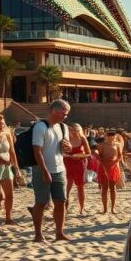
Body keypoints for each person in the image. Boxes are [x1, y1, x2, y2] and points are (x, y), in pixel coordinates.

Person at [31, 99, 73, 243]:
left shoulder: (63, 127)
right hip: (42, 168)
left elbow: (66, 148)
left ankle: (59, 233)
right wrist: (44, 171)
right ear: (54, 111)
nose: (65, 116)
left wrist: (68, 147)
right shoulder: (40, 127)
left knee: (61, 201)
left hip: (60, 168)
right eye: (64, 113)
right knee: (41, 202)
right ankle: (38, 234)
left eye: (66, 114)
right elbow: (37, 151)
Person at [62, 123, 91, 215]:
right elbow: (60, 152)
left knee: (80, 186)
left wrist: (79, 156)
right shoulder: (65, 139)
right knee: (67, 187)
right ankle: (65, 208)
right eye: (72, 130)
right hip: (68, 163)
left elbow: (88, 153)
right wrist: (69, 156)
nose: (74, 132)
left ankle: (82, 209)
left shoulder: (82, 139)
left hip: (80, 163)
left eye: (76, 130)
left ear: (79, 131)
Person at [95, 131, 121, 213]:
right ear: (106, 135)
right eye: (109, 135)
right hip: (104, 167)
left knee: (113, 187)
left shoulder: (117, 144)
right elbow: (98, 156)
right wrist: (105, 161)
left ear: (115, 136)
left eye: (113, 135)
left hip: (114, 167)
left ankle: (113, 208)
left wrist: (115, 161)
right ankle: (105, 208)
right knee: (104, 188)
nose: (111, 136)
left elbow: (120, 155)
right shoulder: (102, 145)